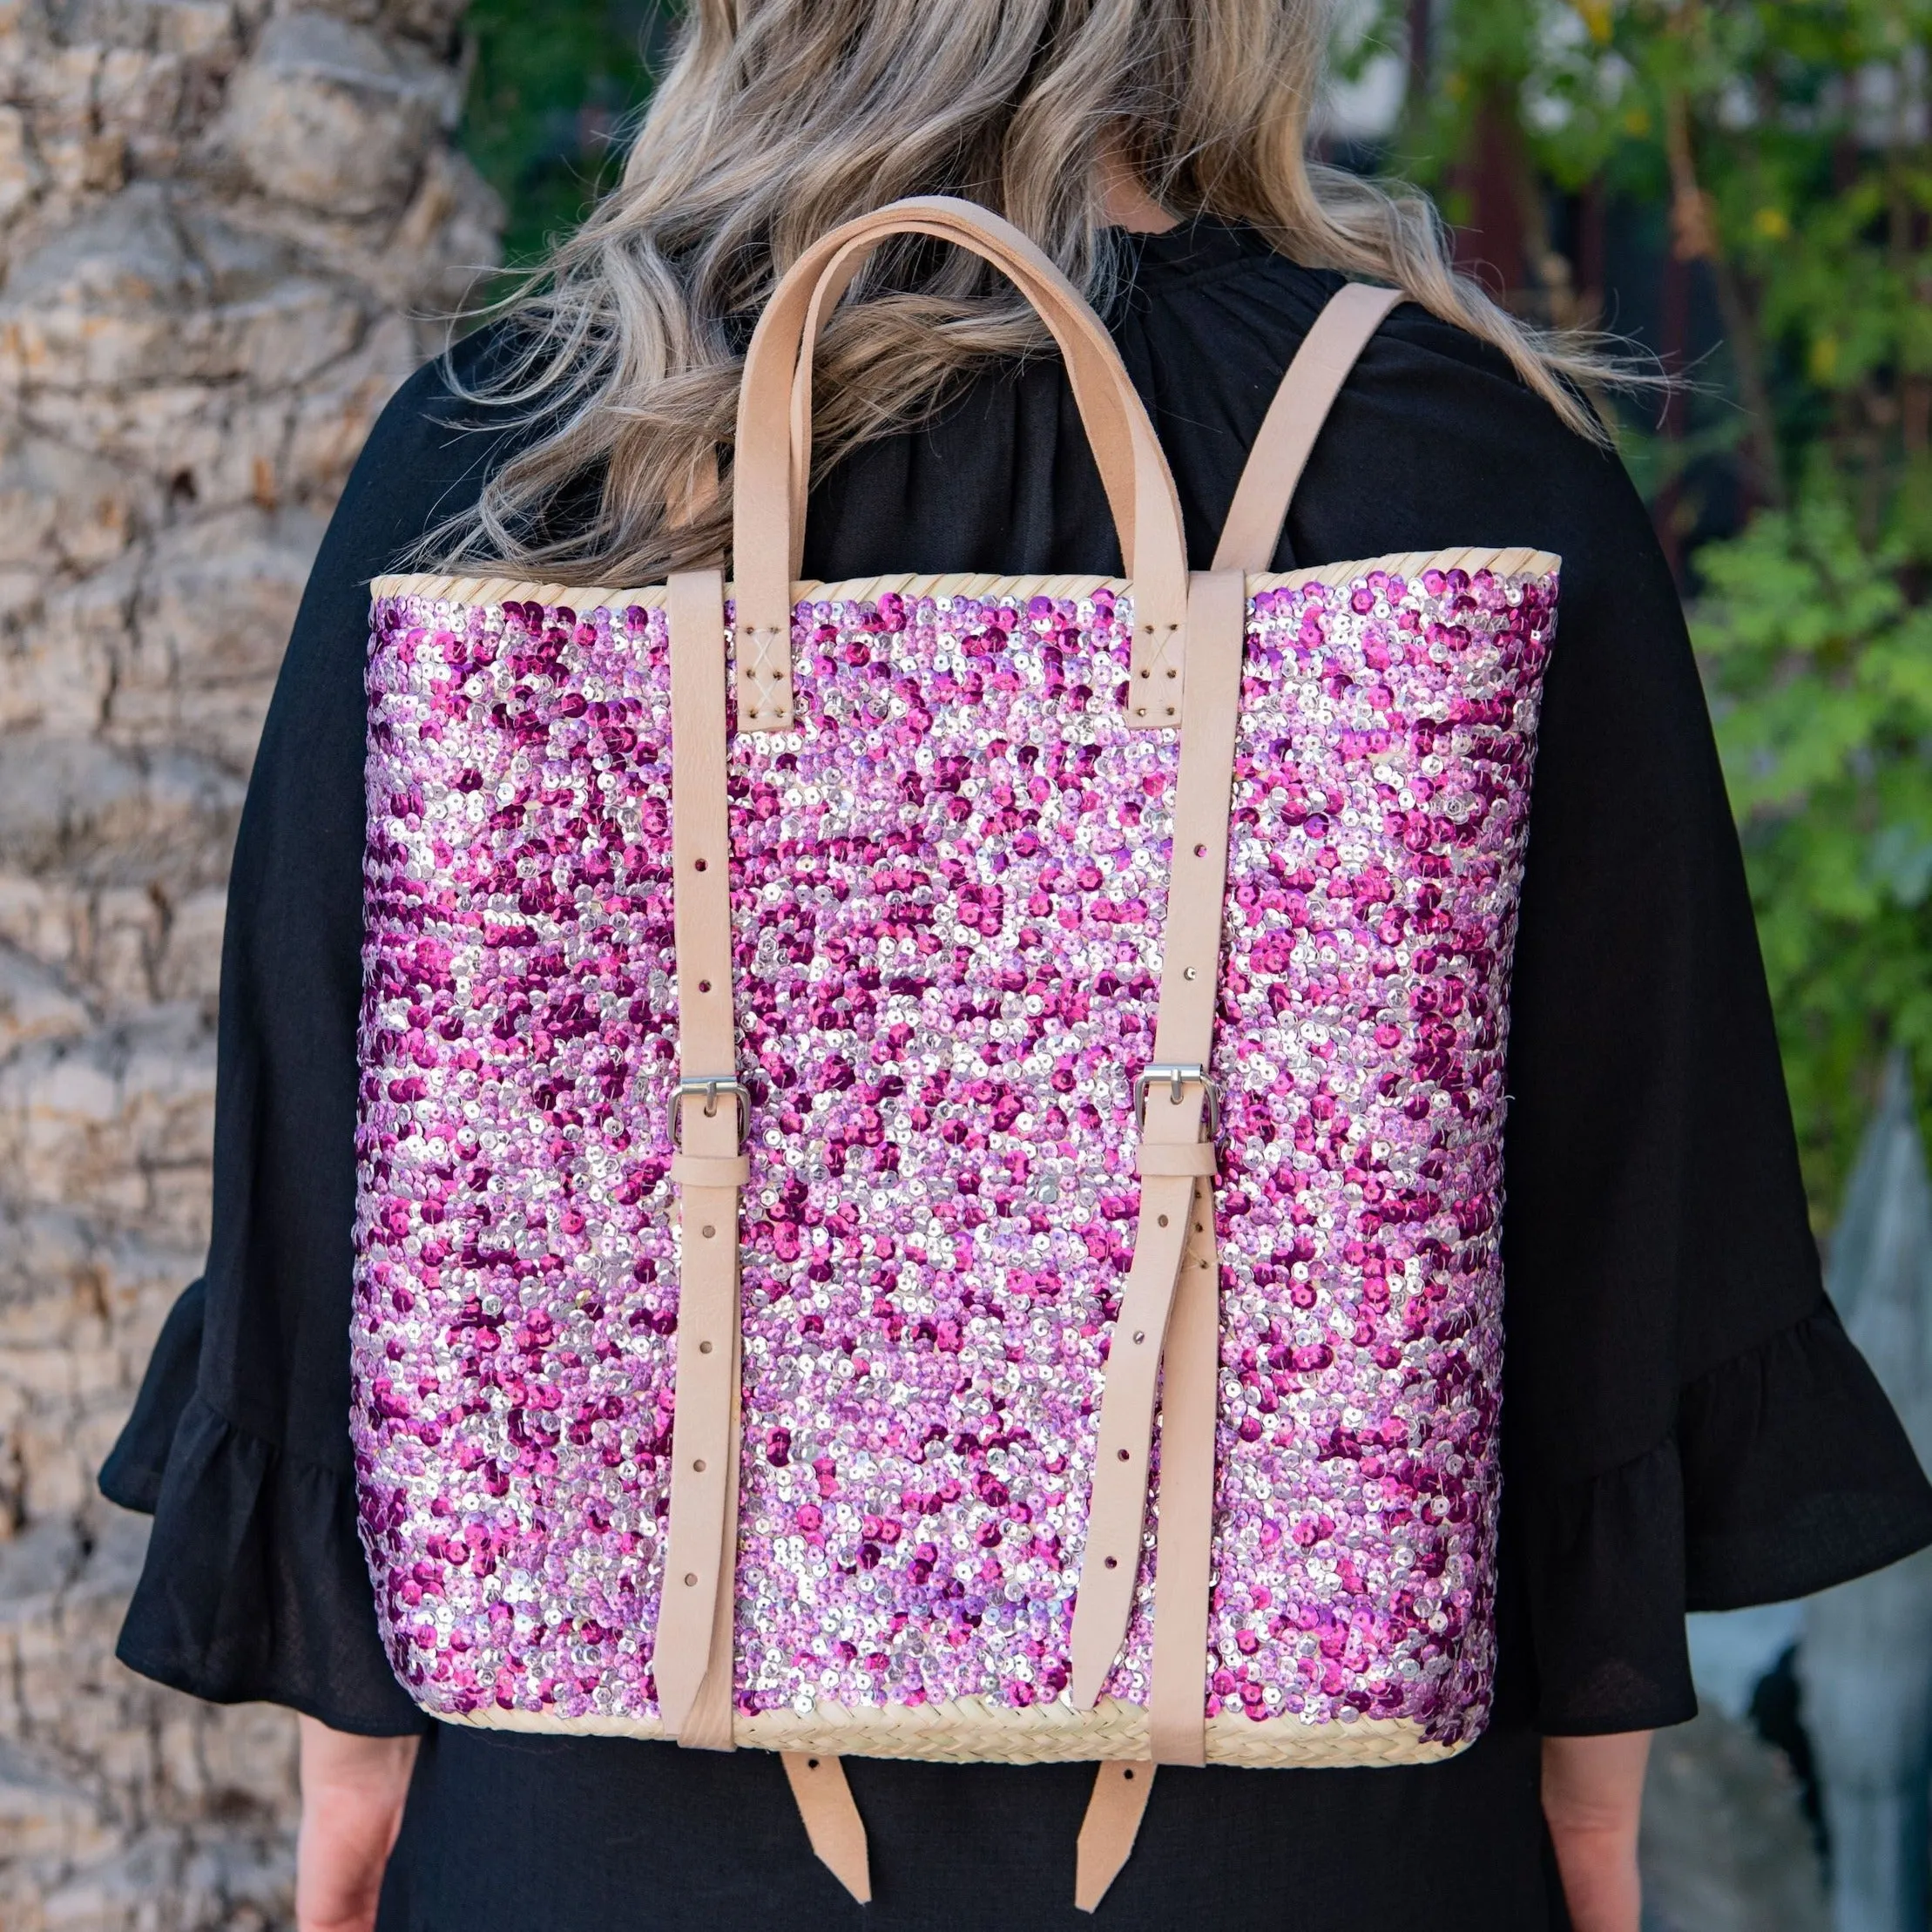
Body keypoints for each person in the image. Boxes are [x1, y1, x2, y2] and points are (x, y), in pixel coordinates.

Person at [99, 3, 1932, 1929]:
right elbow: (1618, 1197)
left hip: (608, 1803)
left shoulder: (526, 448)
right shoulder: (1458, 460)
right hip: (1312, 1837)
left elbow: (331, 1156)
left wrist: (353, 1750)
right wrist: (1585, 1780)